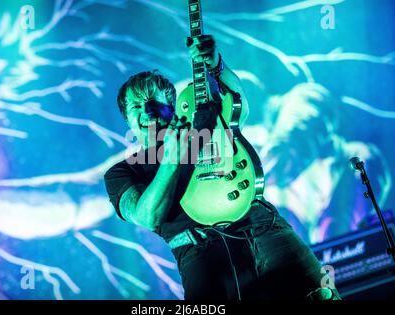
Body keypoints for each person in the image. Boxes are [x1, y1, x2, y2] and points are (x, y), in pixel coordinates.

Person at [104, 35, 340, 300]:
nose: (147, 111)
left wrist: (216, 64)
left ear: (173, 108)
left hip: (262, 228)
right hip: (201, 253)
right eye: (136, 106)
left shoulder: (202, 129)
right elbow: (147, 216)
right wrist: (172, 157)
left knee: (321, 297)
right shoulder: (123, 171)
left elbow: (237, 104)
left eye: (154, 103)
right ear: (128, 122)